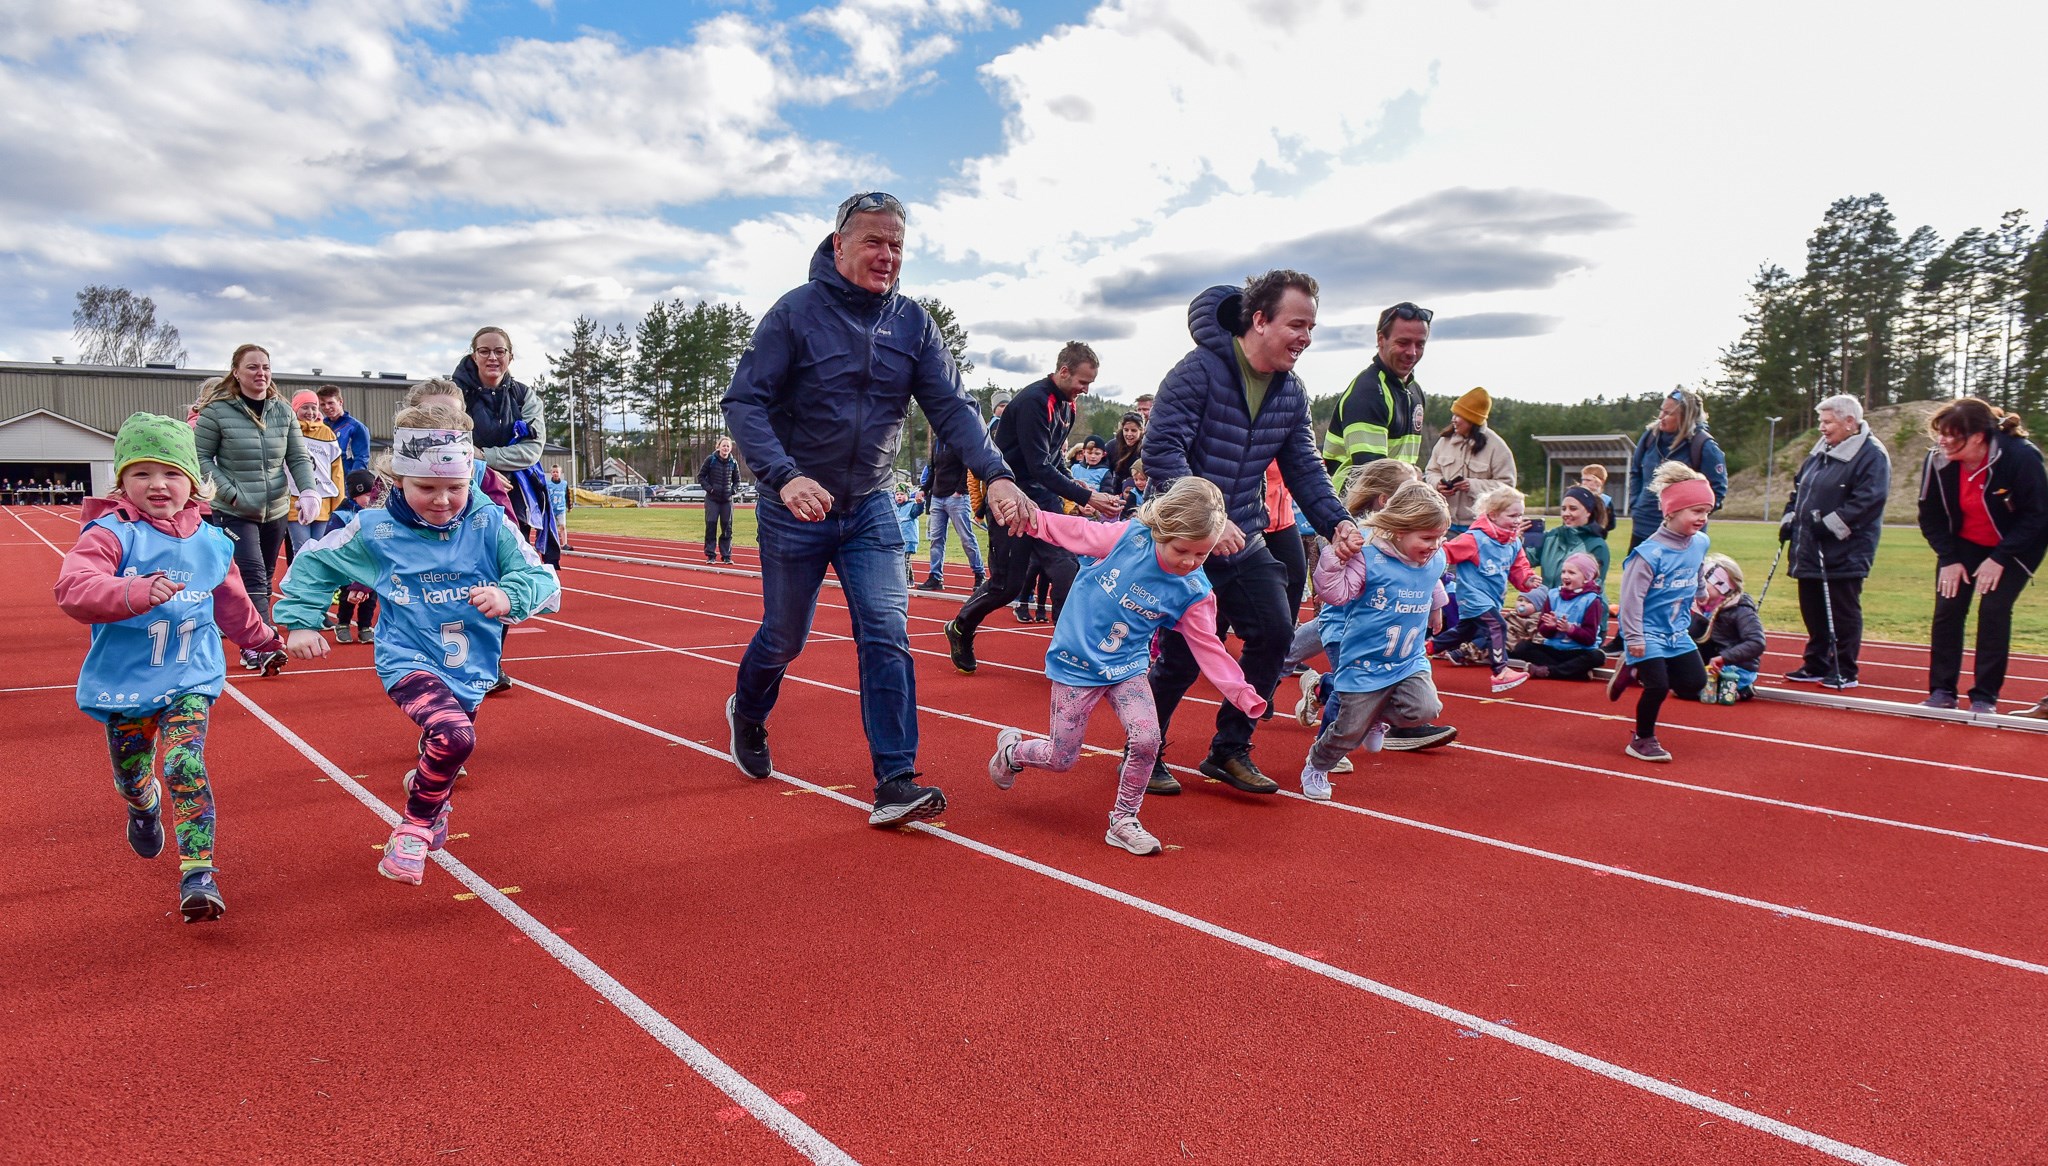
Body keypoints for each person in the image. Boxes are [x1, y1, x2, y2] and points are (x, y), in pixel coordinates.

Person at [721, 190, 1033, 827]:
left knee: (887, 635)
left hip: (868, 507)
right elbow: (744, 404)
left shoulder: (914, 324)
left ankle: (896, 779)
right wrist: (783, 477)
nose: (887, 255)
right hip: (794, 507)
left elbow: (952, 408)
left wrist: (995, 474)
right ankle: (747, 711)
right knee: (786, 636)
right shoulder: (794, 313)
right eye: (873, 241)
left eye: (897, 244)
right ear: (839, 246)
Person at [276, 405, 562, 884]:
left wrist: (508, 593)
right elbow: (314, 562)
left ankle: (434, 795)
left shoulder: (491, 523)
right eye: (426, 488)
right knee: (454, 737)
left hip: (471, 666)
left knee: (449, 747)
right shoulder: (374, 530)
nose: (443, 500)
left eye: (455, 486)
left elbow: (540, 577)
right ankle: (413, 828)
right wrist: (302, 621)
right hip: (407, 658)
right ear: (399, 480)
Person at [54, 413, 289, 923]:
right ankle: (142, 804)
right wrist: (131, 591)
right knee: (131, 772)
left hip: (191, 674)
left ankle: (198, 871)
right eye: (142, 473)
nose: (158, 485)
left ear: (192, 481)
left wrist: (262, 639)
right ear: (122, 481)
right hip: (128, 680)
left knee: (185, 763)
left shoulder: (212, 541)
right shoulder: (109, 535)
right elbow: (72, 589)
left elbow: (230, 602)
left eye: (172, 473)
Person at [1137, 270, 1363, 796]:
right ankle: (1145, 749)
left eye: (1312, 326)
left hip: (1247, 534)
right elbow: (1162, 452)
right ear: (1260, 320)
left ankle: (1230, 749)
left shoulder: (1290, 392)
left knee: (1275, 632)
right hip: (1186, 540)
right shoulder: (1196, 373)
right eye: (1297, 324)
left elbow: (1305, 467)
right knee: (1184, 652)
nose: (1306, 337)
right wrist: (1208, 523)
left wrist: (1338, 523)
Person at [987, 477, 1266, 853]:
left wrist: (1241, 692)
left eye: (1202, 555)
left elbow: (1209, 647)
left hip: (1127, 668)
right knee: (1061, 757)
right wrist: (1031, 519)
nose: (1189, 562)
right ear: (1160, 531)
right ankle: (1012, 751)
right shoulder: (1129, 539)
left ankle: (1123, 819)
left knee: (1148, 739)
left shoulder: (1194, 592)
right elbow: (1077, 530)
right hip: (1077, 664)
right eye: (1182, 550)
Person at [946, 342, 1122, 663]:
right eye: (1083, 382)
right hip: (1012, 502)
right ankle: (961, 626)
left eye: (1090, 384)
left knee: (1068, 572)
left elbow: (1054, 460)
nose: (1085, 389)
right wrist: (1087, 495)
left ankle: (1067, 652)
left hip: (1046, 504)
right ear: (1063, 371)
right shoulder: (1033, 402)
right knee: (1006, 586)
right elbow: (1038, 465)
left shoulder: (1068, 405)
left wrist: (1074, 484)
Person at [1298, 480, 1455, 800]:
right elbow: (1335, 593)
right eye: (1427, 538)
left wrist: (1437, 607)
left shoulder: (1433, 558)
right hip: (1364, 661)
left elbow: (1431, 579)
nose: (1434, 546)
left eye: (1440, 538)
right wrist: (1334, 559)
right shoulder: (1369, 559)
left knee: (1425, 708)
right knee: (1347, 732)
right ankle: (1317, 764)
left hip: (1408, 659)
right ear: (1398, 529)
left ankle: (1377, 717)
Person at [192, 343, 323, 669]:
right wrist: (229, 491)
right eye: (252, 367)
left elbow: (296, 455)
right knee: (250, 575)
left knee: (265, 576)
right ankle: (261, 645)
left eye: (265, 366)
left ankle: (253, 638)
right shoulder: (217, 411)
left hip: (275, 507)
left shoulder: (282, 410)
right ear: (236, 371)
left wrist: (308, 491)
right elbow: (200, 458)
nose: (260, 373)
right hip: (234, 508)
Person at [1916, 398, 2048, 713]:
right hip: (1963, 542)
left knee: (1994, 610)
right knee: (1948, 608)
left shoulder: (2020, 457)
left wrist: (2000, 558)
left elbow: (2037, 515)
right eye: (1940, 433)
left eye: (1951, 434)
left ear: (1977, 437)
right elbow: (1929, 515)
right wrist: (1948, 558)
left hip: (2016, 544)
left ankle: (1984, 698)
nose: (1943, 441)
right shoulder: (1938, 460)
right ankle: (1942, 692)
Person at [1778, 394, 1891, 690]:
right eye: (1821, 422)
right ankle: (1816, 663)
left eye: (1827, 422)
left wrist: (1828, 525)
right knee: (1812, 607)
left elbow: (1868, 501)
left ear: (1850, 422)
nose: (1822, 428)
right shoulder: (1821, 450)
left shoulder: (1872, 454)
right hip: (1809, 547)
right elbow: (1799, 489)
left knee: (1841, 610)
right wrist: (1790, 520)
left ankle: (1844, 668)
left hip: (1846, 550)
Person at [1607, 462, 1715, 762]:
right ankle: (1642, 739)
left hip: (1676, 631)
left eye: (1707, 511)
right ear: (1671, 511)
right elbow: (1630, 601)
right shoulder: (1648, 555)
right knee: (1659, 686)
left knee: (1694, 683)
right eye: (1696, 511)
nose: (1703, 518)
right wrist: (1634, 638)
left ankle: (1633, 667)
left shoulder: (1700, 542)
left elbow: (1697, 568)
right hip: (1646, 631)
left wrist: (1701, 590)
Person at [455, 326, 561, 567]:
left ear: (510, 357)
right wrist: (481, 469)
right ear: (474, 356)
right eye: (484, 351)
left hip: (514, 493)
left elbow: (531, 451)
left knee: (513, 560)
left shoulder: (524, 396)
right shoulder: (454, 395)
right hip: (463, 488)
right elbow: (445, 443)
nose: (492, 357)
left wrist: (484, 455)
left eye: (499, 351)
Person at [1429, 485, 1536, 693]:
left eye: (1521, 515)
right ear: (1493, 515)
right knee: (1498, 626)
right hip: (1473, 597)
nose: (1518, 520)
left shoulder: (1513, 542)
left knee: (1464, 632)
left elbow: (1519, 567)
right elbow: (1446, 553)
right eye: (1512, 515)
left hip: (1492, 598)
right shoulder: (1475, 539)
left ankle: (1428, 648)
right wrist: (1431, 557)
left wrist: (1528, 580)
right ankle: (1501, 671)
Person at [1323, 301, 1431, 474]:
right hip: (1353, 498)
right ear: (1381, 339)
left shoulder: (1414, 391)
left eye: (1420, 344)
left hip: (1393, 495)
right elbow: (1373, 475)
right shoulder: (1368, 392)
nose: (1412, 352)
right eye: (1403, 343)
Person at [1624, 389, 1727, 551]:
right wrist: (1635, 504)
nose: (1660, 417)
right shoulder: (1650, 437)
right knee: (1636, 573)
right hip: (1643, 526)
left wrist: (1692, 517)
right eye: (1661, 410)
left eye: (1668, 413)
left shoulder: (1704, 445)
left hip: (1683, 536)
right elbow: (1635, 471)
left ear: (1685, 417)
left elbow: (1717, 490)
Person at [1423, 388, 1519, 529]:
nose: (1453, 420)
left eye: (1458, 415)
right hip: (1443, 522)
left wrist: (1472, 486)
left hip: (1479, 527)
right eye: (1453, 414)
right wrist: (1438, 484)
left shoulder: (1497, 448)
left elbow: (1507, 488)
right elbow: (1431, 472)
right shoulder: (1444, 442)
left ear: (1472, 419)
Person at [1507, 552, 1608, 681]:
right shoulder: (1553, 595)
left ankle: (1550, 671)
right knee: (1522, 647)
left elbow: (1589, 638)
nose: (1565, 576)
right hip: (1553, 649)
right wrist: (1551, 627)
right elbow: (1544, 631)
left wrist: (1570, 629)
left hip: (1578, 651)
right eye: (1564, 572)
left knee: (1597, 656)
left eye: (1572, 573)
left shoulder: (1593, 600)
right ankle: (1575, 673)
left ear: (1586, 577)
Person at [1690, 553, 1765, 704]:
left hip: (1734, 669)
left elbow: (1757, 642)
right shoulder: (1705, 607)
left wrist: (1725, 657)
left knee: (1688, 691)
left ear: (1722, 586)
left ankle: (1742, 689)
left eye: (1703, 582)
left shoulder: (1741, 610)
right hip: (1712, 661)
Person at [916, 433, 986, 591]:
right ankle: (935, 576)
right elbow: (933, 471)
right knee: (936, 539)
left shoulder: (959, 440)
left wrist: (960, 490)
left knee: (966, 538)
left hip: (956, 498)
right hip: (937, 497)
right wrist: (924, 490)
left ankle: (979, 573)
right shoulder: (936, 443)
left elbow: (966, 468)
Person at [287, 390, 345, 558]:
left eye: (314, 407)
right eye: (305, 407)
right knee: (302, 550)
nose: (310, 412)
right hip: (295, 501)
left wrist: (338, 504)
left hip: (323, 503)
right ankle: (300, 584)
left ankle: (320, 584)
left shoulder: (327, 433)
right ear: (296, 409)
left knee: (321, 550)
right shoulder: (289, 430)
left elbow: (337, 472)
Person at [331, 469, 382, 643]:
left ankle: (365, 626)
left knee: (370, 597)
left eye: (373, 494)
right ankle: (343, 624)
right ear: (356, 494)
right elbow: (332, 536)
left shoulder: (376, 513)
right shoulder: (342, 514)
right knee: (347, 594)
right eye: (367, 494)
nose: (371, 499)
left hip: (370, 564)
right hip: (350, 564)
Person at [1533, 485, 1612, 589]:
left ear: (1588, 512)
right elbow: (1525, 560)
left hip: (1582, 604)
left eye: (1573, 509)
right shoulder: (1551, 537)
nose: (1566, 513)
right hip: (1550, 603)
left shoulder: (1597, 545)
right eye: (1563, 509)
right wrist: (1517, 540)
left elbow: (1595, 586)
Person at [697, 436, 742, 564]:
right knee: (711, 526)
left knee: (727, 528)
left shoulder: (733, 463)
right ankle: (711, 555)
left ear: (730, 448)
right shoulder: (711, 460)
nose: (726, 448)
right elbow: (701, 476)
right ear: (718, 447)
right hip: (712, 499)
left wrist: (733, 490)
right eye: (724, 445)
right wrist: (710, 489)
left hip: (727, 500)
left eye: (728, 446)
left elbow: (737, 481)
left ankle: (726, 555)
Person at [317, 385, 370, 477]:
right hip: (323, 481)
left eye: (330, 403)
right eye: (322, 404)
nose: (326, 407)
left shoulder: (356, 427)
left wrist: (352, 482)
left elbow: (361, 459)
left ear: (340, 402)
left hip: (345, 483)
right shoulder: (319, 426)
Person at [1104, 410, 1146, 497]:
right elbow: (1105, 471)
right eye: (1126, 430)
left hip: (1140, 491)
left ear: (1141, 430)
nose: (1129, 434)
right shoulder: (1112, 446)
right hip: (1117, 490)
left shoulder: (1145, 448)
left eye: (1133, 430)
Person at [894, 487, 925, 585]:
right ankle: (910, 580)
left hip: (909, 538)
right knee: (905, 559)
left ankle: (904, 582)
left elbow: (918, 511)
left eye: (902, 494)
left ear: (907, 495)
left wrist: (920, 503)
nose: (899, 497)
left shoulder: (912, 506)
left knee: (904, 560)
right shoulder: (895, 507)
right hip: (899, 538)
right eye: (897, 494)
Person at [545, 464, 572, 552]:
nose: (555, 473)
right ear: (551, 473)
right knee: (551, 527)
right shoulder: (548, 484)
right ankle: (551, 543)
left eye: (557, 472)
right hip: (551, 509)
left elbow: (567, 495)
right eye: (554, 472)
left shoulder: (564, 484)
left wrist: (569, 506)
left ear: (560, 473)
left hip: (561, 509)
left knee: (563, 526)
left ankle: (564, 544)